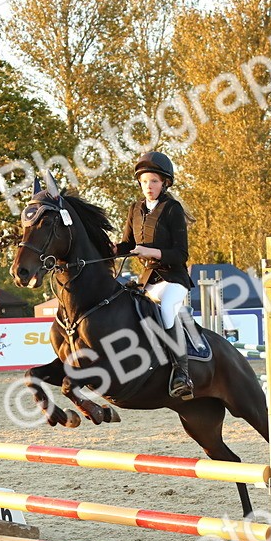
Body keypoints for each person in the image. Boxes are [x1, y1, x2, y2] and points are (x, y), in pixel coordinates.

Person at [114, 151, 197, 399]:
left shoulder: (172, 208)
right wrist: (112, 249)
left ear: (164, 183)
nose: (148, 187)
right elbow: (127, 244)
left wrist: (147, 251)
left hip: (174, 279)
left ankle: (182, 373)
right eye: (144, 182)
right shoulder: (135, 209)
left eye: (154, 181)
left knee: (168, 308)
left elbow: (180, 254)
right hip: (149, 280)